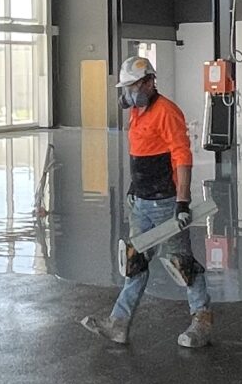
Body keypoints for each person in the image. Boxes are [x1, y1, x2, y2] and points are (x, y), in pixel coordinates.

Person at [83, 54, 214, 349]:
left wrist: (182, 201)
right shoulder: (137, 112)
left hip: (166, 203)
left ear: (148, 82)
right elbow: (143, 153)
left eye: (131, 86)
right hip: (141, 202)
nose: (126, 93)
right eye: (125, 87)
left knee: (182, 264)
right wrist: (134, 188)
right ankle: (119, 324)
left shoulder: (167, 112)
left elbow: (182, 156)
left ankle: (202, 320)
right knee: (136, 263)